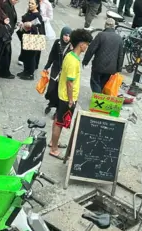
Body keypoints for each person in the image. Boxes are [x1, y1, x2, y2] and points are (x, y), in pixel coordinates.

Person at [49, 29, 93, 159]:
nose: (87, 47)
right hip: (66, 97)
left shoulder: (69, 55)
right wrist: (70, 100)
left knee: (58, 118)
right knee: (60, 123)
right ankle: (54, 149)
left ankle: (53, 142)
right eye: (87, 44)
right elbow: (70, 82)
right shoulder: (74, 61)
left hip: (61, 93)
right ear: (81, 44)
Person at [83, 18, 124, 93]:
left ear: (105, 25)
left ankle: (97, 98)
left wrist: (85, 61)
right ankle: (99, 98)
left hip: (98, 66)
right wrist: (118, 69)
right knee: (102, 83)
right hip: (111, 68)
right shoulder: (119, 38)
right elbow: (121, 55)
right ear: (114, 26)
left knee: (95, 82)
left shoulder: (100, 35)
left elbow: (91, 49)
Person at [44, 26, 73, 115]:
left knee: (59, 90)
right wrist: (47, 66)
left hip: (64, 72)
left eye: (69, 36)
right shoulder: (57, 42)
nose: (67, 38)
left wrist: (71, 50)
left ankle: (57, 110)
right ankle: (50, 103)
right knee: (51, 88)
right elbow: (52, 54)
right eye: (65, 35)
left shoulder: (72, 47)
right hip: (55, 69)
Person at [17, 0, 45, 80]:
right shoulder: (29, 13)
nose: (30, 5)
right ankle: (25, 71)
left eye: (32, 3)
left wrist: (31, 25)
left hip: (33, 39)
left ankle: (30, 74)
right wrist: (21, 23)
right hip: (25, 37)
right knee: (25, 54)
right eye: (29, 3)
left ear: (37, 5)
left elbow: (40, 29)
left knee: (31, 56)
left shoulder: (38, 16)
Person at [0, 0, 18, 79]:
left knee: (5, 53)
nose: (16, 1)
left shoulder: (10, 5)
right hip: (5, 33)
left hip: (7, 33)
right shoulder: (6, 5)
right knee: (5, 53)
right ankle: (2, 72)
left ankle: (2, 71)